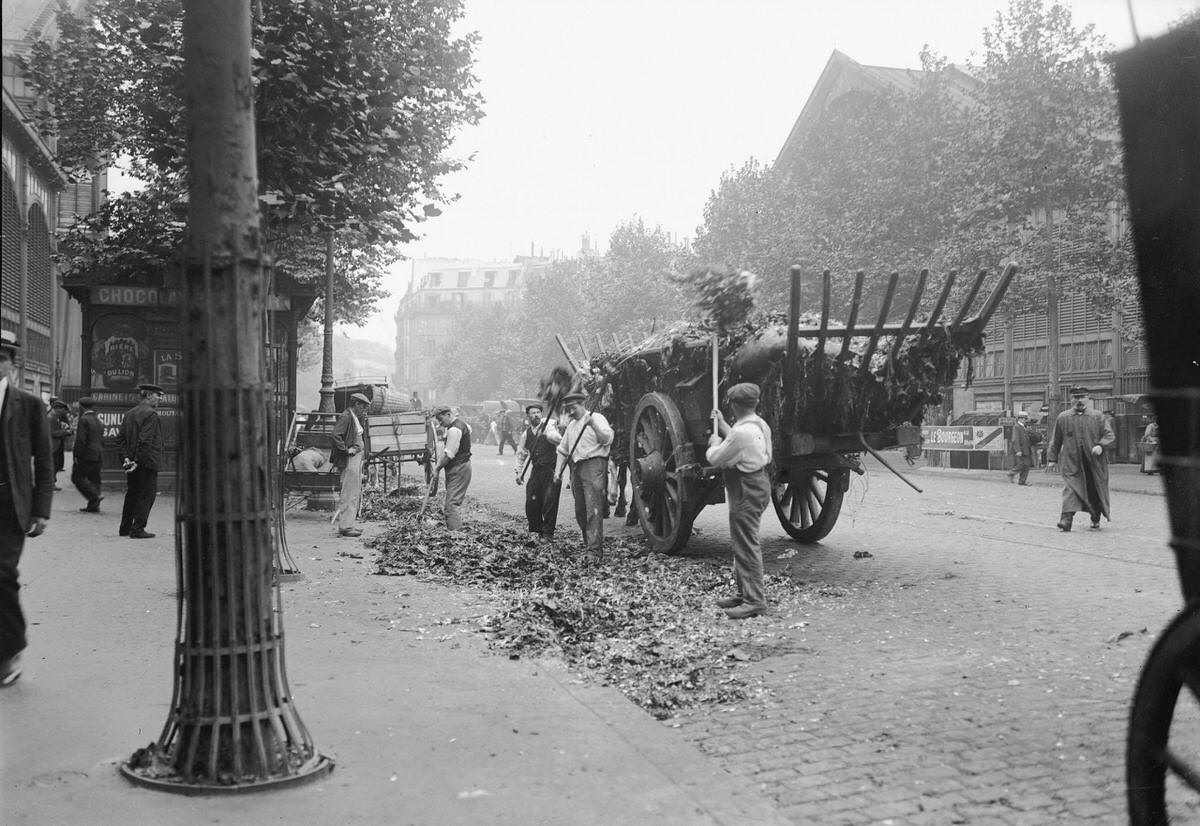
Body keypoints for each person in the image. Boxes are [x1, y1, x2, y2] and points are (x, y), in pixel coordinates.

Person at [1, 331, 54, 686]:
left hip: (9, 508)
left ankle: (10, 650)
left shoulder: (28, 406)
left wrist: (42, 510)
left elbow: (45, 461)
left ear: (10, 365)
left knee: (2, 575)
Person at [706, 382, 773, 620]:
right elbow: (739, 439)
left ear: (734, 405)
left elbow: (715, 458)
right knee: (741, 539)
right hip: (759, 482)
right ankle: (743, 593)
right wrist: (722, 423)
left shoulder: (741, 433)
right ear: (755, 403)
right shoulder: (760, 425)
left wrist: (714, 443)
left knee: (746, 543)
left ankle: (754, 601)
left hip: (745, 487)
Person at [553, 390, 613, 561]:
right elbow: (563, 451)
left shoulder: (597, 418)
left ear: (582, 404)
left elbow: (607, 440)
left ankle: (595, 551)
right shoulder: (571, 426)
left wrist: (592, 424)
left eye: (572, 408)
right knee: (580, 510)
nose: (570, 412)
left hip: (594, 465)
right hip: (576, 468)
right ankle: (589, 545)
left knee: (593, 508)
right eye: (568, 409)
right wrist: (558, 471)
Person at [1047, 386, 1115, 531]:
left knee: (1094, 490)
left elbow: (1109, 435)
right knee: (1070, 489)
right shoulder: (1063, 417)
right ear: (1071, 400)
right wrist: (1052, 459)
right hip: (1072, 462)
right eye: (1076, 397)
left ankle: (1095, 517)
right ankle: (1066, 520)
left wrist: (1101, 446)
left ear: (1088, 399)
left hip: (1094, 463)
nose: (1079, 401)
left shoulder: (1097, 416)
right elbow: (1056, 440)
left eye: (1082, 397)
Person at [119, 383, 164, 539]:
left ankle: (124, 528)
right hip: (147, 462)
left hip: (131, 462)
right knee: (147, 495)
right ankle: (138, 528)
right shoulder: (151, 414)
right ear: (149, 395)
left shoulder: (129, 413)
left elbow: (121, 439)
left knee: (132, 493)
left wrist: (127, 458)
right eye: (158, 395)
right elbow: (145, 441)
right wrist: (138, 461)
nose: (160, 399)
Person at [514, 402, 562, 540]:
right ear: (528, 416)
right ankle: (536, 530)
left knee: (550, 502)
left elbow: (558, 440)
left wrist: (550, 432)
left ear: (542, 414)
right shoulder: (526, 433)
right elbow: (521, 453)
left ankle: (548, 533)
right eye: (533, 413)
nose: (536, 415)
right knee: (531, 501)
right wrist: (519, 472)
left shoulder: (549, 427)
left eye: (538, 413)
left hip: (550, 470)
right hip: (536, 470)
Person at [330, 393, 371, 538]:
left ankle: (349, 524)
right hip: (350, 459)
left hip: (356, 458)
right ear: (357, 404)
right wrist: (346, 450)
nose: (364, 410)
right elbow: (336, 435)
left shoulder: (353, 417)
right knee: (349, 492)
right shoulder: (346, 416)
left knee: (354, 492)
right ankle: (345, 527)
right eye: (363, 407)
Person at [431, 405, 472, 530]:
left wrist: (437, 468)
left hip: (458, 468)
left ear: (448, 414)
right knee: (452, 503)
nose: (440, 422)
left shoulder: (454, 430)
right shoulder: (462, 425)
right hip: (461, 466)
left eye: (440, 418)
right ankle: (455, 531)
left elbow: (449, 454)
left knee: (451, 505)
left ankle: (456, 537)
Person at [71, 396, 105, 512]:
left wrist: (76, 455)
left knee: (77, 477)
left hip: (87, 455)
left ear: (81, 407)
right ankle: (94, 506)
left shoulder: (84, 420)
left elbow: (81, 440)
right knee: (94, 478)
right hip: (98, 455)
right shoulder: (98, 420)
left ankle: (94, 496)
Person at [47, 397, 72, 491]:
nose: (64, 412)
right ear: (57, 408)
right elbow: (52, 432)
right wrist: (65, 432)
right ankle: (50, 484)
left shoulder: (55, 417)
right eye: (62, 410)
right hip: (52, 446)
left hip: (55, 445)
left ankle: (52, 483)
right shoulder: (51, 417)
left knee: (56, 465)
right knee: (53, 465)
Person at [1006, 411, 1034, 486]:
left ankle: (1022, 481)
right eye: (1024, 419)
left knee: (1027, 465)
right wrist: (1018, 450)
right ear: (1020, 419)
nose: (1025, 420)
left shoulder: (1023, 427)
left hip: (1025, 449)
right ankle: (1011, 473)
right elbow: (1016, 439)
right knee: (1021, 464)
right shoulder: (1017, 427)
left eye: (1026, 419)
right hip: (1021, 449)